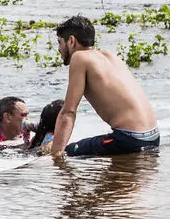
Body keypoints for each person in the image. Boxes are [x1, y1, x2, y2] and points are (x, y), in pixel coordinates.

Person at [51, 15, 160, 157]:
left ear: (71, 41)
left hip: (131, 140)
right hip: (154, 137)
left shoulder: (79, 58)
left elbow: (68, 112)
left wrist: (55, 155)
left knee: (68, 152)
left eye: (60, 42)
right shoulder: (110, 56)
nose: (59, 49)